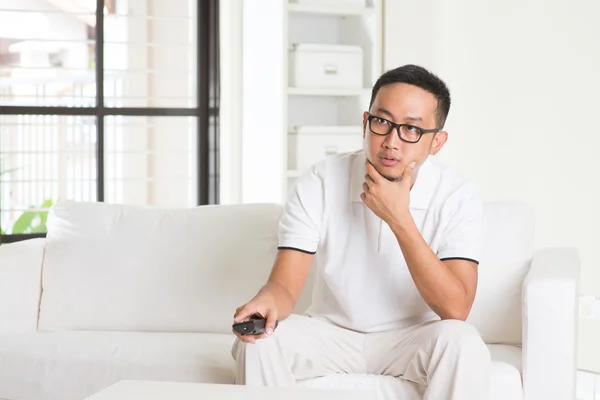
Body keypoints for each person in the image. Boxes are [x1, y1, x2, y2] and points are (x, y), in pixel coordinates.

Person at [231, 64, 491, 399]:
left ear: (437, 142)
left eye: (411, 129)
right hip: (332, 333)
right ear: (366, 123)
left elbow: (455, 309)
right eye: (382, 122)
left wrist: (399, 218)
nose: (392, 142)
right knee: (257, 344)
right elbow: (284, 285)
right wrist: (265, 300)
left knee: (463, 342)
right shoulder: (321, 180)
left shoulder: (457, 194)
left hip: (413, 338)